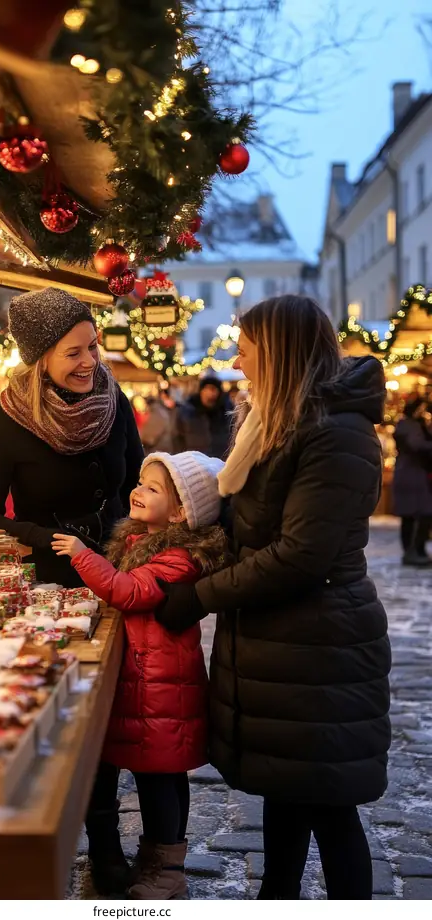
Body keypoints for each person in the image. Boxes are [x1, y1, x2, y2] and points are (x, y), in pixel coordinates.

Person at [155, 295, 391, 901]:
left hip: (317, 648)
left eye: (248, 345)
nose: (239, 357)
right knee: (287, 796)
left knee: (331, 812)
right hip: (279, 646)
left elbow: (299, 557)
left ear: (279, 351)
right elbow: (251, 525)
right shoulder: (274, 423)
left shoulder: (335, 434)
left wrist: (199, 596)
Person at [52, 451, 227, 899]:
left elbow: (129, 592)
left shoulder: (179, 557)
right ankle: (154, 861)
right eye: (139, 482)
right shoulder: (141, 542)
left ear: (182, 511)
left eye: (152, 488)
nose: (137, 491)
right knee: (157, 776)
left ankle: (167, 869)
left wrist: (82, 556)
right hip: (147, 684)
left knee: (161, 780)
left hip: (162, 689)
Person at [0, 289, 144, 586]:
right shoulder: (5, 419)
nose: (89, 362)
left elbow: (135, 484)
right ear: (41, 360)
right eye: (73, 353)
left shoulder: (114, 400)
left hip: (119, 569)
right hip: (51, 580)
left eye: (92, 347)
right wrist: (40, 536)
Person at [392, 396, 432, 566]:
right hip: (413, 475)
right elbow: (417, 446)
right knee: (422, 514)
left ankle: (411, 551)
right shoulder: (412, 426)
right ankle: (413, 551)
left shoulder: (404, 425)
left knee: (409, 516)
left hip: (406, 473)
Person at [176, 375, 232, 459]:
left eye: (213, 389)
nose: (210, 393)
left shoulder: (226, 411)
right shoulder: (187, 411)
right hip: (194, 462)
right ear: (201, 391)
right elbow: (178, 437)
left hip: (220, 461)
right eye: (208, 388)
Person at [141, 387, 178, 454]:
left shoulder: (159, 412)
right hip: (164, 451)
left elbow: (148, 438)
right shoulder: (165, 411)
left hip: (158, 452)